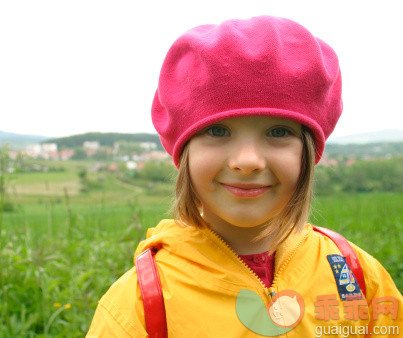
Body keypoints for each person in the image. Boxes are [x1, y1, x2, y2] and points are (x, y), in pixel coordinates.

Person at [87, 16, 402, 337]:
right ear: (185, 153)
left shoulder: (355, 276)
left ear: (307, 153)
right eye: (217, 130)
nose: (248, 161)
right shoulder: (141, 304)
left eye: (278, 131)